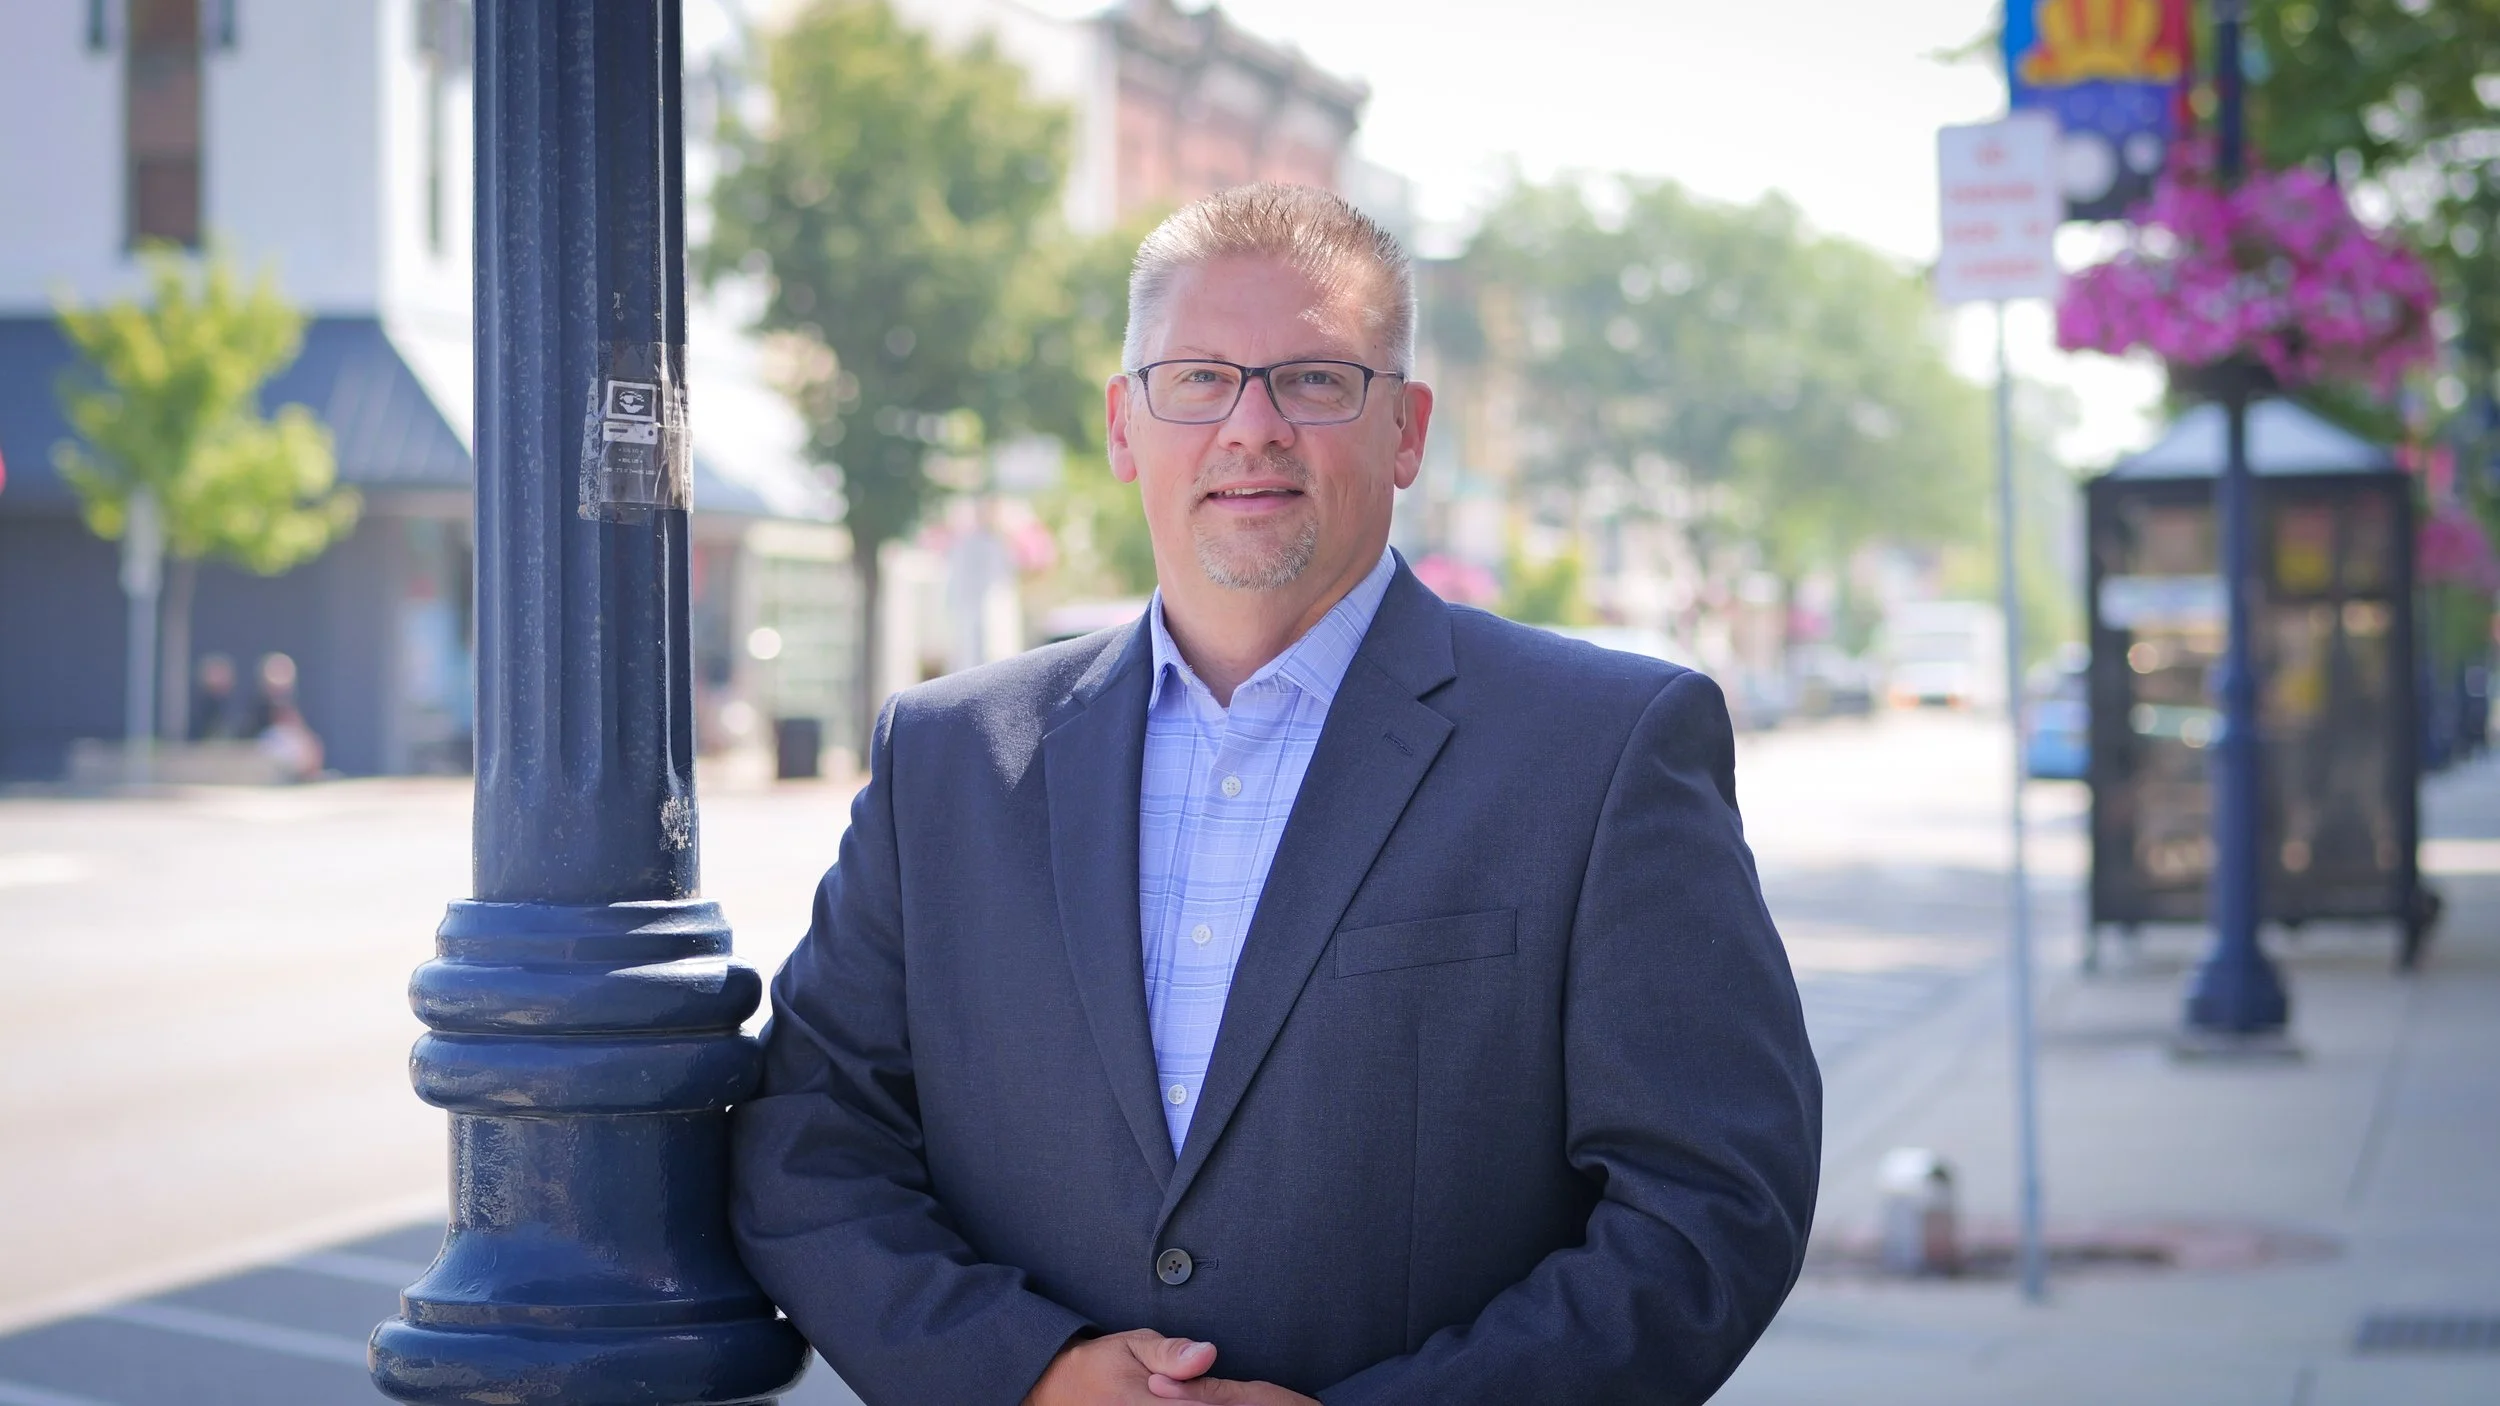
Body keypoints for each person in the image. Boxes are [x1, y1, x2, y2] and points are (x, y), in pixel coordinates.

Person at [732, 184, 1821, 1406]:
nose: (1250, 427)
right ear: (1123, 424)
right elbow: (809, 1145)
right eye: (1197, 377)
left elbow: (1712, 1202)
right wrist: (1030, 1375)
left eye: (1312, 379)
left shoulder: (1606, 749)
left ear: (1405, 430)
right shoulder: (948, 759)